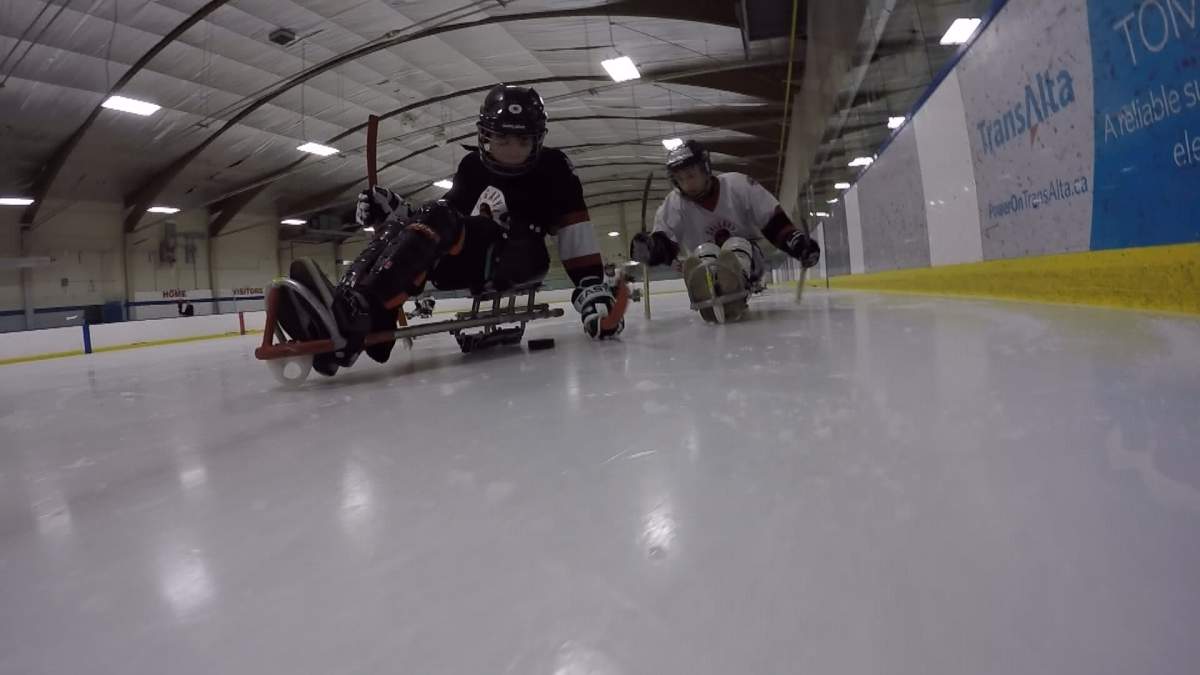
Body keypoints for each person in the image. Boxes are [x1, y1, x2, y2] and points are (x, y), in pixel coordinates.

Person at [276, 84, 623, 376]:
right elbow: (444, 220)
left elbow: (574, 231)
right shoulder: (472, 166)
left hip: (521, 254)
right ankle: (352, 307)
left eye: (522, 141)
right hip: (475, 255)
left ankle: (356, 314)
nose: (512, 150)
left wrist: (592, 288)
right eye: (502, 139)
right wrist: (395, 212)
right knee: (421, 218)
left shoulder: (554, 168)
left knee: (437, 214)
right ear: (485, 136)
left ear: (538, 140)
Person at [629, 140, 820, 296]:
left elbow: (773, 222)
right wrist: (651, 249)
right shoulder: (673, 203)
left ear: (705, 169)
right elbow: (665, 243)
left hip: (750, 261)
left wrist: (796, 243)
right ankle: (711, 286)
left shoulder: (738, 185)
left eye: (691, 175)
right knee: (705, 254)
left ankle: (732, 284)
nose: (687, 183)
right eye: (680, 179)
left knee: (735, 246)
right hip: (703, 266)